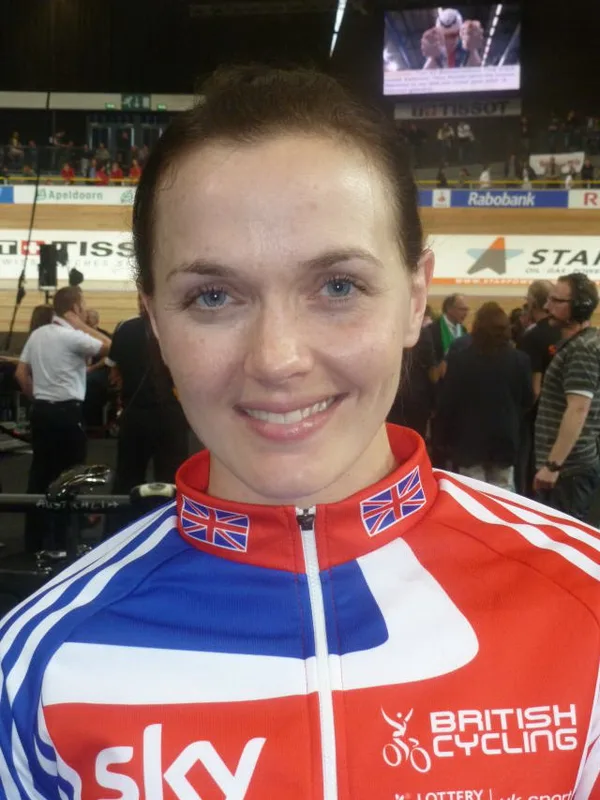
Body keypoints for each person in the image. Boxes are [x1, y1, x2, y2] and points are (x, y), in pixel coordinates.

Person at [4, 65, 600, 798]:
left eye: (338, 286)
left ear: (415, 298)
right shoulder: (36, 667)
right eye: (213, 296)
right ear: (154, 320)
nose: (277, 360)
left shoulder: (588, 605)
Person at [14, 287, 111, 553]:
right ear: (75, 309)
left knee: (39, 475)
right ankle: (65, 540)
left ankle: (33, 541)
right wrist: (81, 325)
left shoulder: (37, 334)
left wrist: (39, 398)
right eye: (83, 305)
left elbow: (21, 374)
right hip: (68, 415)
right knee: (71, 477)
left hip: (41, 413)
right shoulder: (72, 336)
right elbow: (111, 347)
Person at [104, 304, 190, 531]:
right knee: (174, 481)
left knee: (127, 479)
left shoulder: (125, 328)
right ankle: (176, 533)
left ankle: (118, 534)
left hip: (134, 414)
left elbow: (113, 373)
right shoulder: (180, 326)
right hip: (171, 415)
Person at [437, 302, 533, 490]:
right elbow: (527, 399)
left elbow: (448, 401)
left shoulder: (459, 360)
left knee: (472, 495)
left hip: (468, 439)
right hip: (505, 437)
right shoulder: (520, 360)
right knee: (502, 494)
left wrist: (442, 437)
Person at [534, 273, 600, 522]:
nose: (546, 306)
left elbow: (578, 409)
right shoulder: (579, 344)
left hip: (569, 471)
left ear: (580, 307)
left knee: (563, 539)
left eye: (556, 301)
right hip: (568, 470)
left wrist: (553, 466)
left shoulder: (582, 349)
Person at [516, 280, 561, 496]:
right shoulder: (564, 332)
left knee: (532, 475)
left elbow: (534, 387)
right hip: (562, 412)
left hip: (536, 418)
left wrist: (522, 412)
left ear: (533, 302)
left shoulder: (532, 336)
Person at [428, 292, 469, 364]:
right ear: (449, 309)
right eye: (462, 309)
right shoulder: (432, 330)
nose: (466, 313)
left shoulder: (463, 330)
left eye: (467, 309)